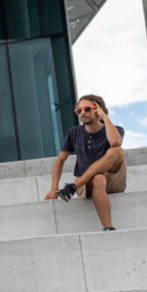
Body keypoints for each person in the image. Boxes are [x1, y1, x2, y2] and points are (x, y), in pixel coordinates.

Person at [45, 94, 127, 231]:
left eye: (87, 109)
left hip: (113, 180)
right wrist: (54, 188)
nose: (82, 113)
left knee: (117, 151)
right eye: (79, 110)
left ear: (98, 109)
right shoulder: (74, 133)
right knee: (98, 178)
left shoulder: (115, 129)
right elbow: (60, 161)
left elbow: (115, 142)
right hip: (88, 184)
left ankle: (72, 186)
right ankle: (108, 228)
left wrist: (104, 117)